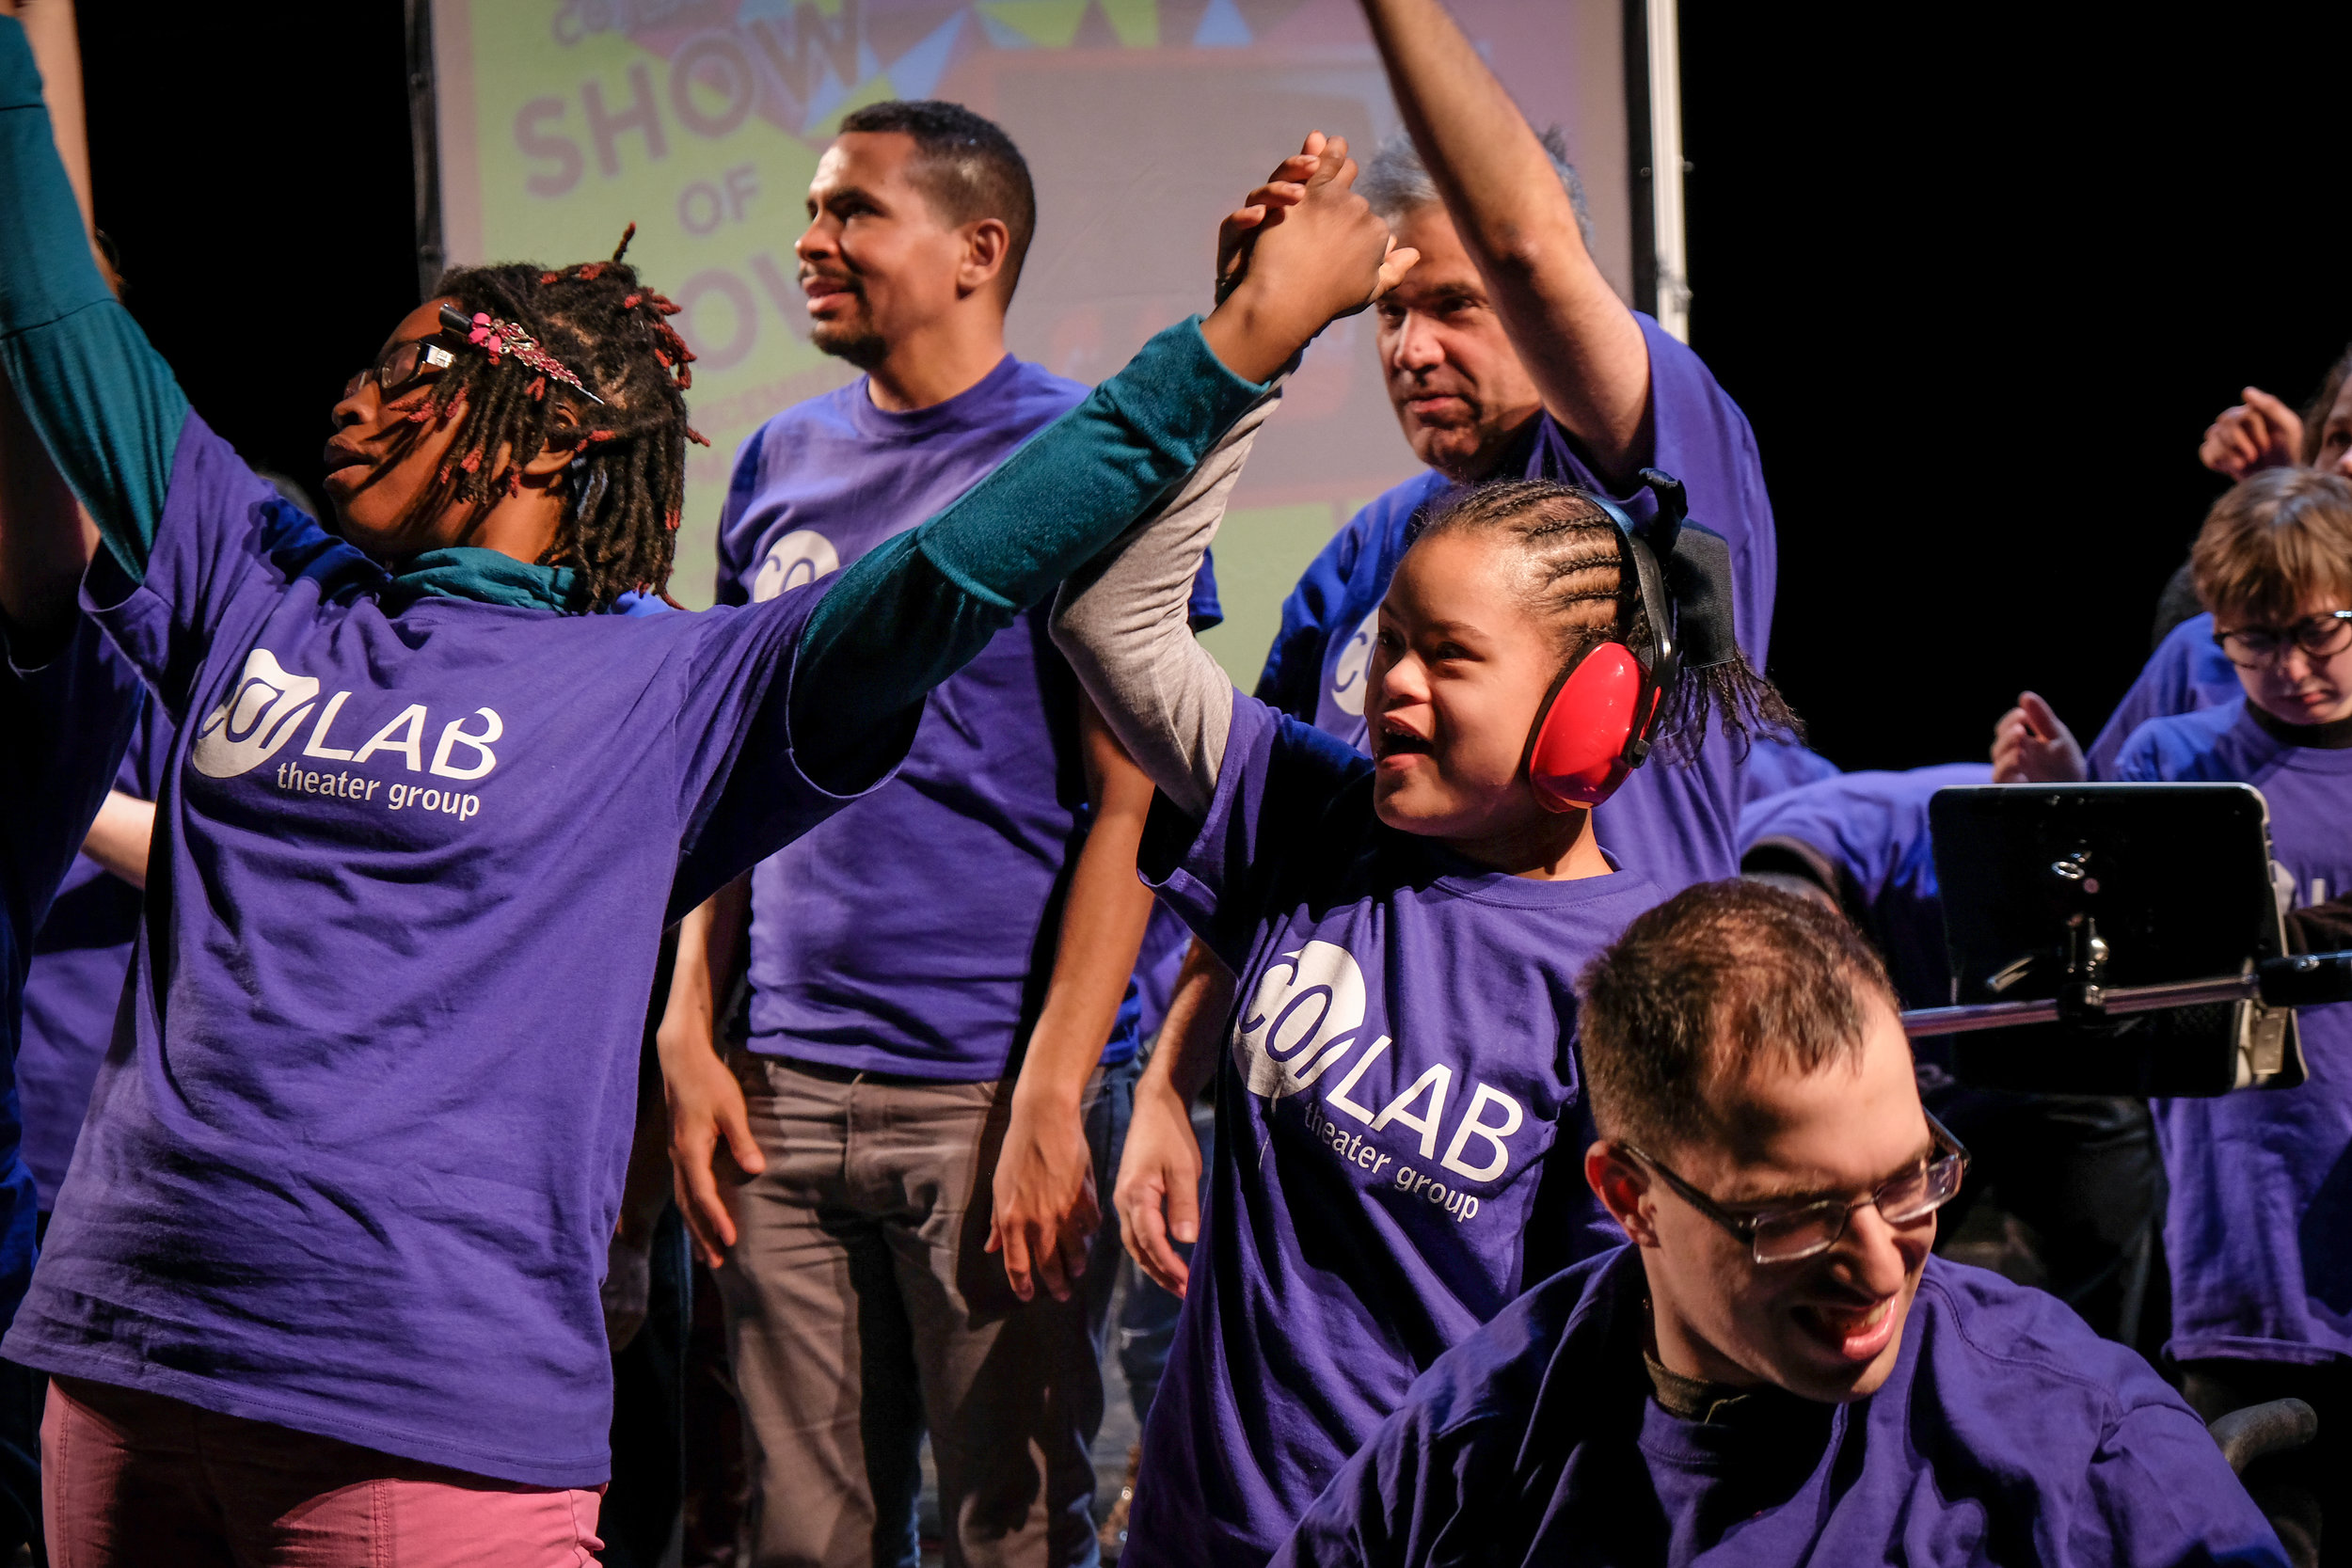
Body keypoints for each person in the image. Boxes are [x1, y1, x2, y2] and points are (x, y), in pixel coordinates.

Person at [0, 17, 1406, 1552]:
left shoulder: (670, 684)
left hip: (415, 1412)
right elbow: (54, 307)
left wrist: (1236, 350)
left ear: (526, 427)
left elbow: (960, 562)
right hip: (124, 1367)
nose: (349, 397)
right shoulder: (249, 566)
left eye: (405, 370)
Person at [1051, 173, 1792, 1558]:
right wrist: (1243, 345)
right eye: (1389, 644)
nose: (1390, 685)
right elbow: (1107, 613)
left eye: (1446, 659)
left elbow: (1606, 1369)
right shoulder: (1322, 815)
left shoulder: (1636, 992)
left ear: (1590, 709)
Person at [654, 98, 1214, 1568]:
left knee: (1011, 1533)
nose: (809, 241)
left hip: (986, 1099)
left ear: (978, 247)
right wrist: (688, 1026)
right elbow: (730, 766)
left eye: (851, 212)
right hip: (776, 1090)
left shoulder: (1082, 456)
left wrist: (1048, 1094)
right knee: (805, 1539)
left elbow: (1131, 804)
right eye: (812, 209)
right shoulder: (779, 457)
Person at [1271, 880, 2286, 1568]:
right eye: (1797, 1216)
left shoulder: (2084, 1453)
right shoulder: (1481, 1440)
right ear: (1630, 1197)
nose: (1882, 1264)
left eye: (1907, 1181)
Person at [1250, 0, 1779, 896]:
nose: (1411, 351)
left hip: (1608, 1014)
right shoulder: (1365, 553)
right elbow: (1262, 824)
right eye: (1390, 312)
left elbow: (1523, 246)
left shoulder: (1638, 463)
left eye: (1455, 304)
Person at [2107, 467, 2352, 1567]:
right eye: (2252, 642)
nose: (2290, 668)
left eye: (2318, 632)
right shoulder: (2178, 762)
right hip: (2247, 1230)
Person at [1738, 764, 2168, 1354]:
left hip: (2040, 1046)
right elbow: (1778, 881)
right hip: (1898, 1091)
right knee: (1855, 1277)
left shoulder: (1957, 827)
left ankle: (2080, 1406)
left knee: (2101, 1263)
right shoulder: (1817, 835)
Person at [1997, 346, 2352, 784]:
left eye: (2318, 630)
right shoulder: (2198, 653)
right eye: (2339, 438)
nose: (2347, 462)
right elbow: (2114, 826)